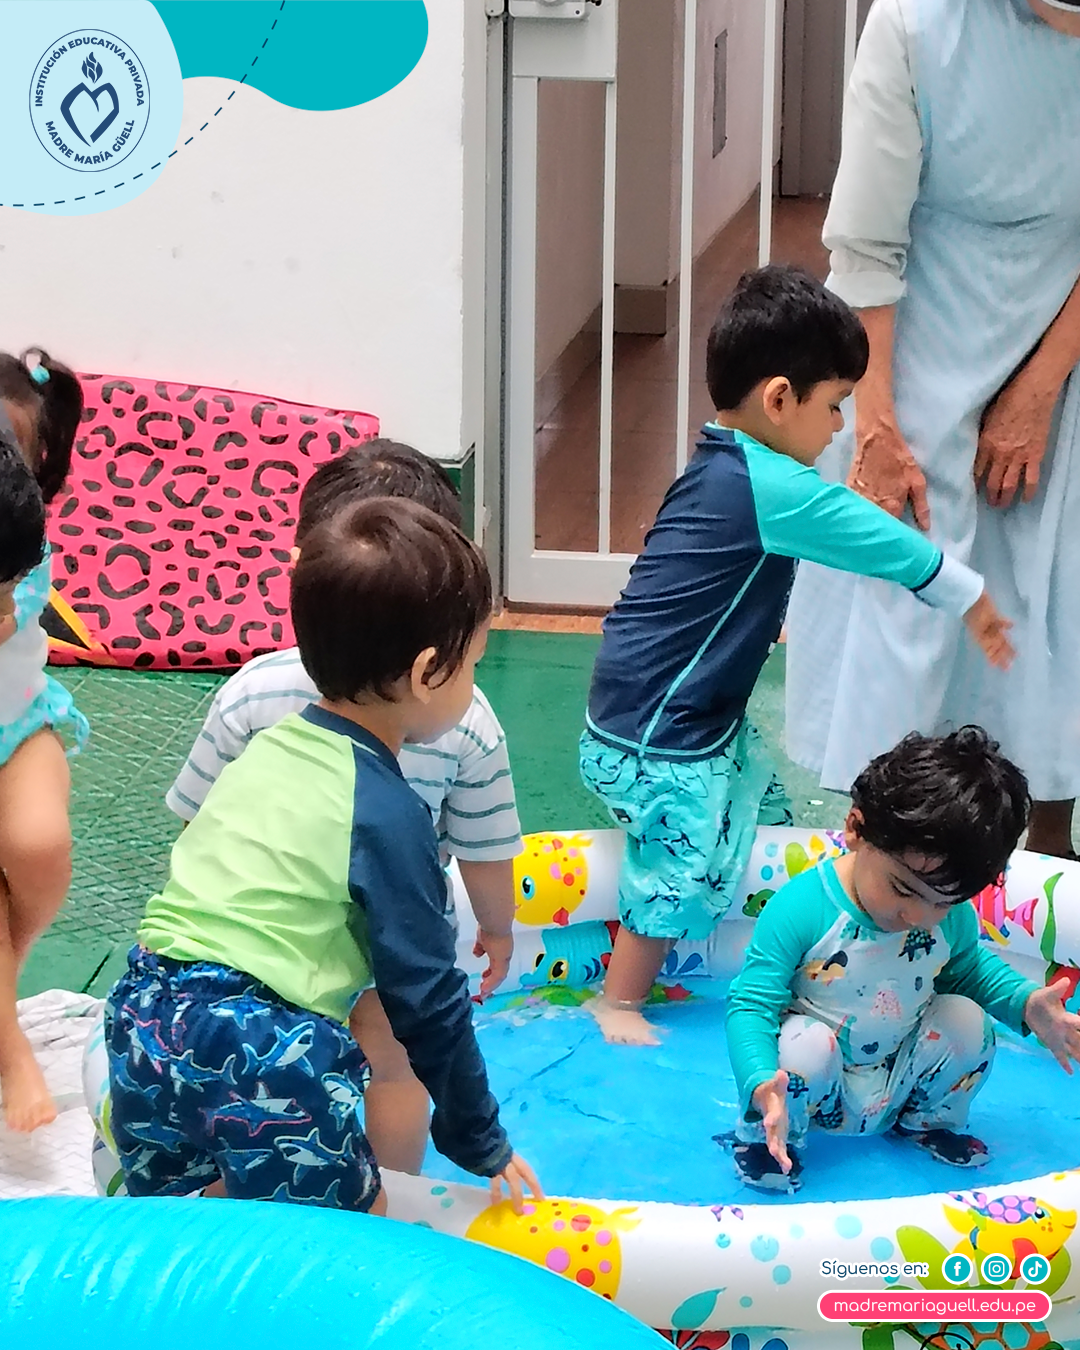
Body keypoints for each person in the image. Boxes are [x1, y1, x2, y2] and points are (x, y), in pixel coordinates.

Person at [579, 266, 1014, 1047]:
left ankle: (777, 964)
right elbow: (875, 538)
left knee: (762, 815)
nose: (840, 426)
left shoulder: (724, 461)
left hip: (675, 718)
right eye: (836, 405)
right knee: (683, 853)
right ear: (780, 399)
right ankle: (618, 1000)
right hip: (658, 736)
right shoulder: (767, 484)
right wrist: (970, 596)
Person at [104, 496, 541, 1213]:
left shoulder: (266, 750)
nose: (473, 684)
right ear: (429, 672)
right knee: (349, 1234)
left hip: (142, 1016)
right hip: (256, 1043)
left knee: (182, 1230)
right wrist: (478, 1136)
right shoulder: (386, 810)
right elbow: (427, 997)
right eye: (474, 665)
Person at [785, 0, 1080, 858]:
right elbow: (866, 246)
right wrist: (876, 424)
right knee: (909, 584)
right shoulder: (918, 24)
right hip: (916, 329)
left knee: (1049, 598)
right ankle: (884, 863)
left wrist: (1040, 387)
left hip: (1061, 331)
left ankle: (1045, 863)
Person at [725, 727, 1080, 1193]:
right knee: (804, 1045)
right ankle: (766, 1141)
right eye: (903, 889)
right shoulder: (804, 908)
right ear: (856, 829)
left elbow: (967, 972)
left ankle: (925, 1122)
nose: (919, 917)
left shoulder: (946, 916)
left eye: (943, 902)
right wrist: (758, 1079)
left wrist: (1026, 1004)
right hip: (809, 1088)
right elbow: (752, 1004)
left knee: (967, 1020)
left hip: (895, 1076)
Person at [0, 349, 86, 1132]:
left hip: (21, 724)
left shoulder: (19, 538)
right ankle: (10, 1047)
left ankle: (7, 974)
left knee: (40, 848)